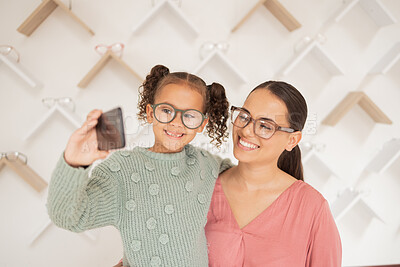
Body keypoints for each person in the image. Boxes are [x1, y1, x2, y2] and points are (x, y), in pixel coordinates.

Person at [46, 65, 232, 267]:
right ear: (151, 113)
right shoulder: (122, 170)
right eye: (167, 110)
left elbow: (250, 178)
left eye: (189, 116)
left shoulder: (208, 164)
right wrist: (74, 162)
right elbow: (68, 218)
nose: (177, 123)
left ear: (202, 124)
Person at [205, 81, 342, 266]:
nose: (246, 130)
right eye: (244, 116)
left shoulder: (312, 208)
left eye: (265, 126)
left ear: (292, 140)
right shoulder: (204, 188)